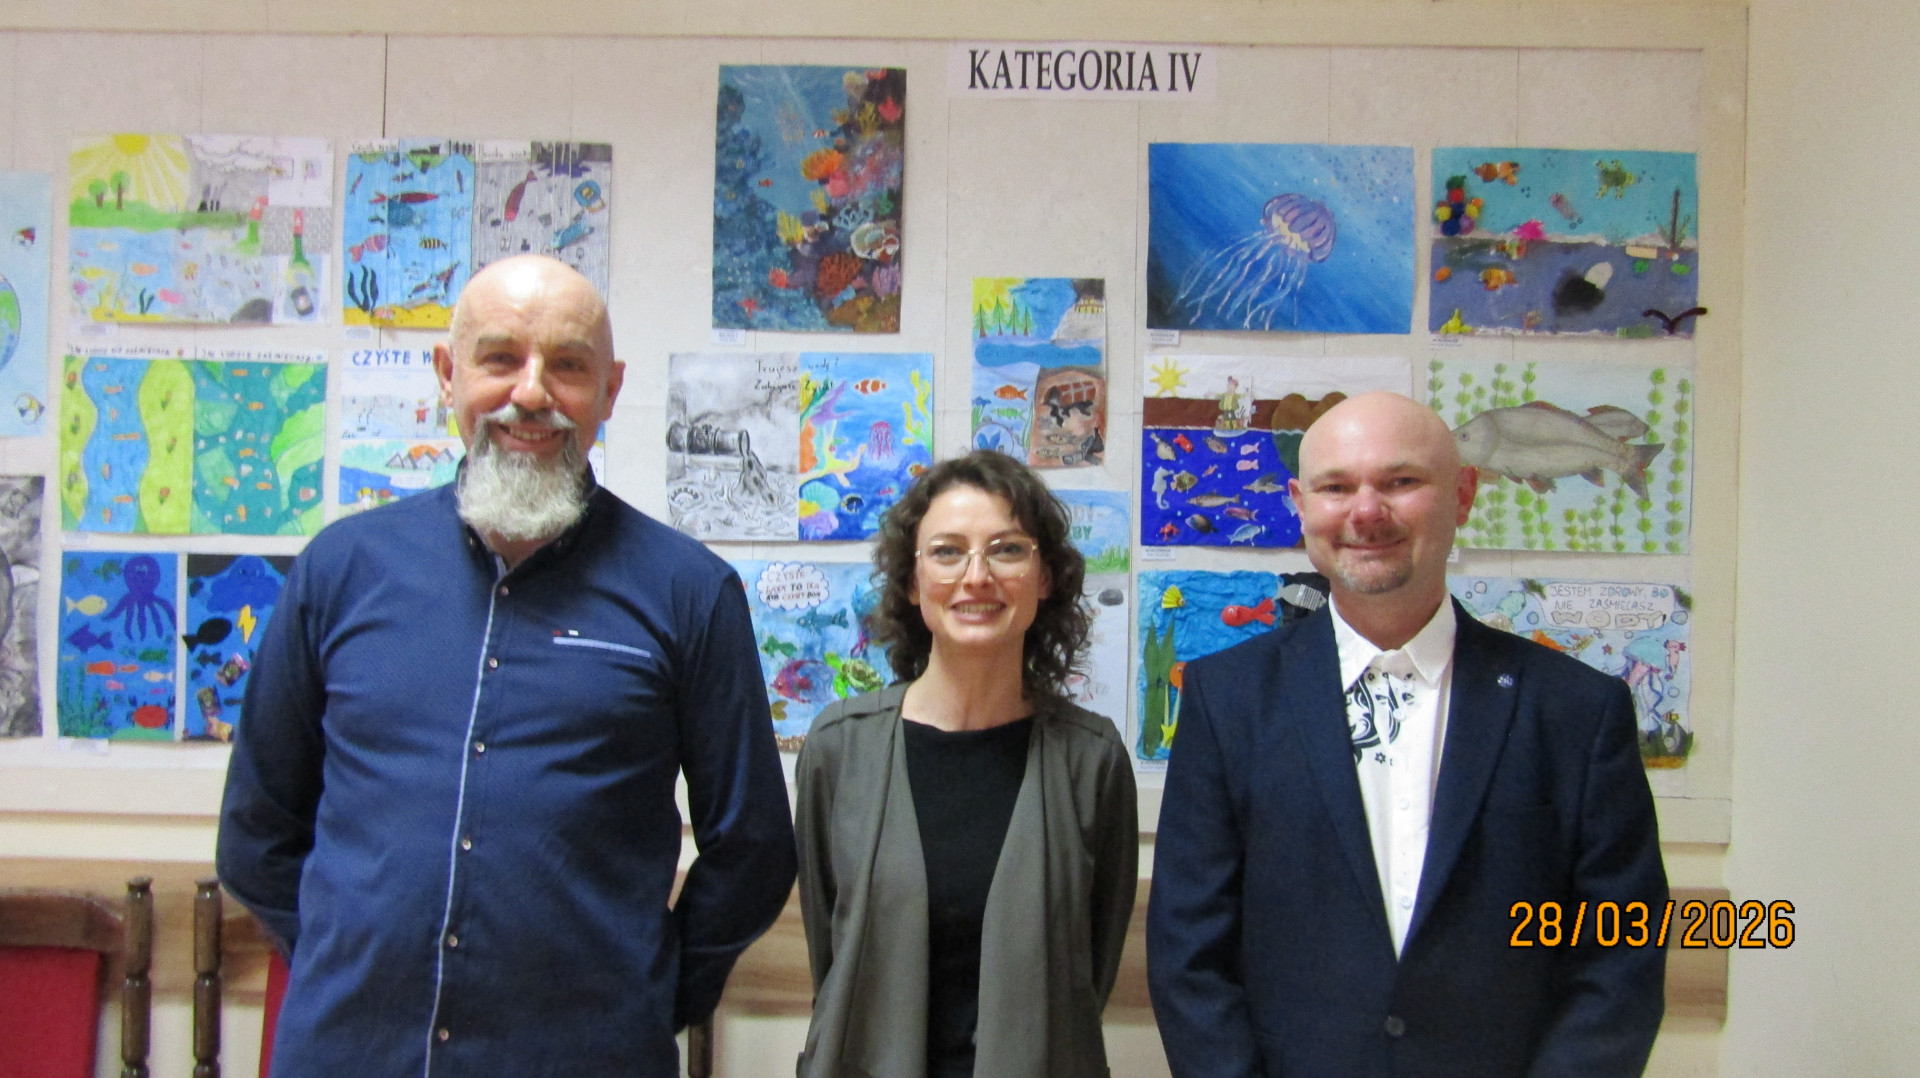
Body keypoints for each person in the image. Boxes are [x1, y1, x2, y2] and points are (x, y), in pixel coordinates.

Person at [217, 255, 795, 1077]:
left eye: (568, 365)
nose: (531, 392)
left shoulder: (689, 593)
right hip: (352, 1053)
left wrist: (644, 996)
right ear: (447, 373)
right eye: (500, 358)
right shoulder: (340, 570)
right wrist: (349, 964)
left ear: (610, 390)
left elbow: (754, 849)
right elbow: (257, 830)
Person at [1148, 391, 1667, 1078]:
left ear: (1464, 495)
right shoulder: (1228, 700)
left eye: (1400, 481)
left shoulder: (1577, 710)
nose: (1366, 512)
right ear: (1300, 505)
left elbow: (1622, 952)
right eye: (1336, 487)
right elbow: (1188, 953)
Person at [794, 450, 1138, 1078]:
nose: (976, 576)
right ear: (912, 580)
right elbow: (832, 958)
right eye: (948, 552)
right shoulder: (839, 749)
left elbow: (1091, 969)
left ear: (1044, 577)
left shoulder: (1092, 760)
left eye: (1007, 550)